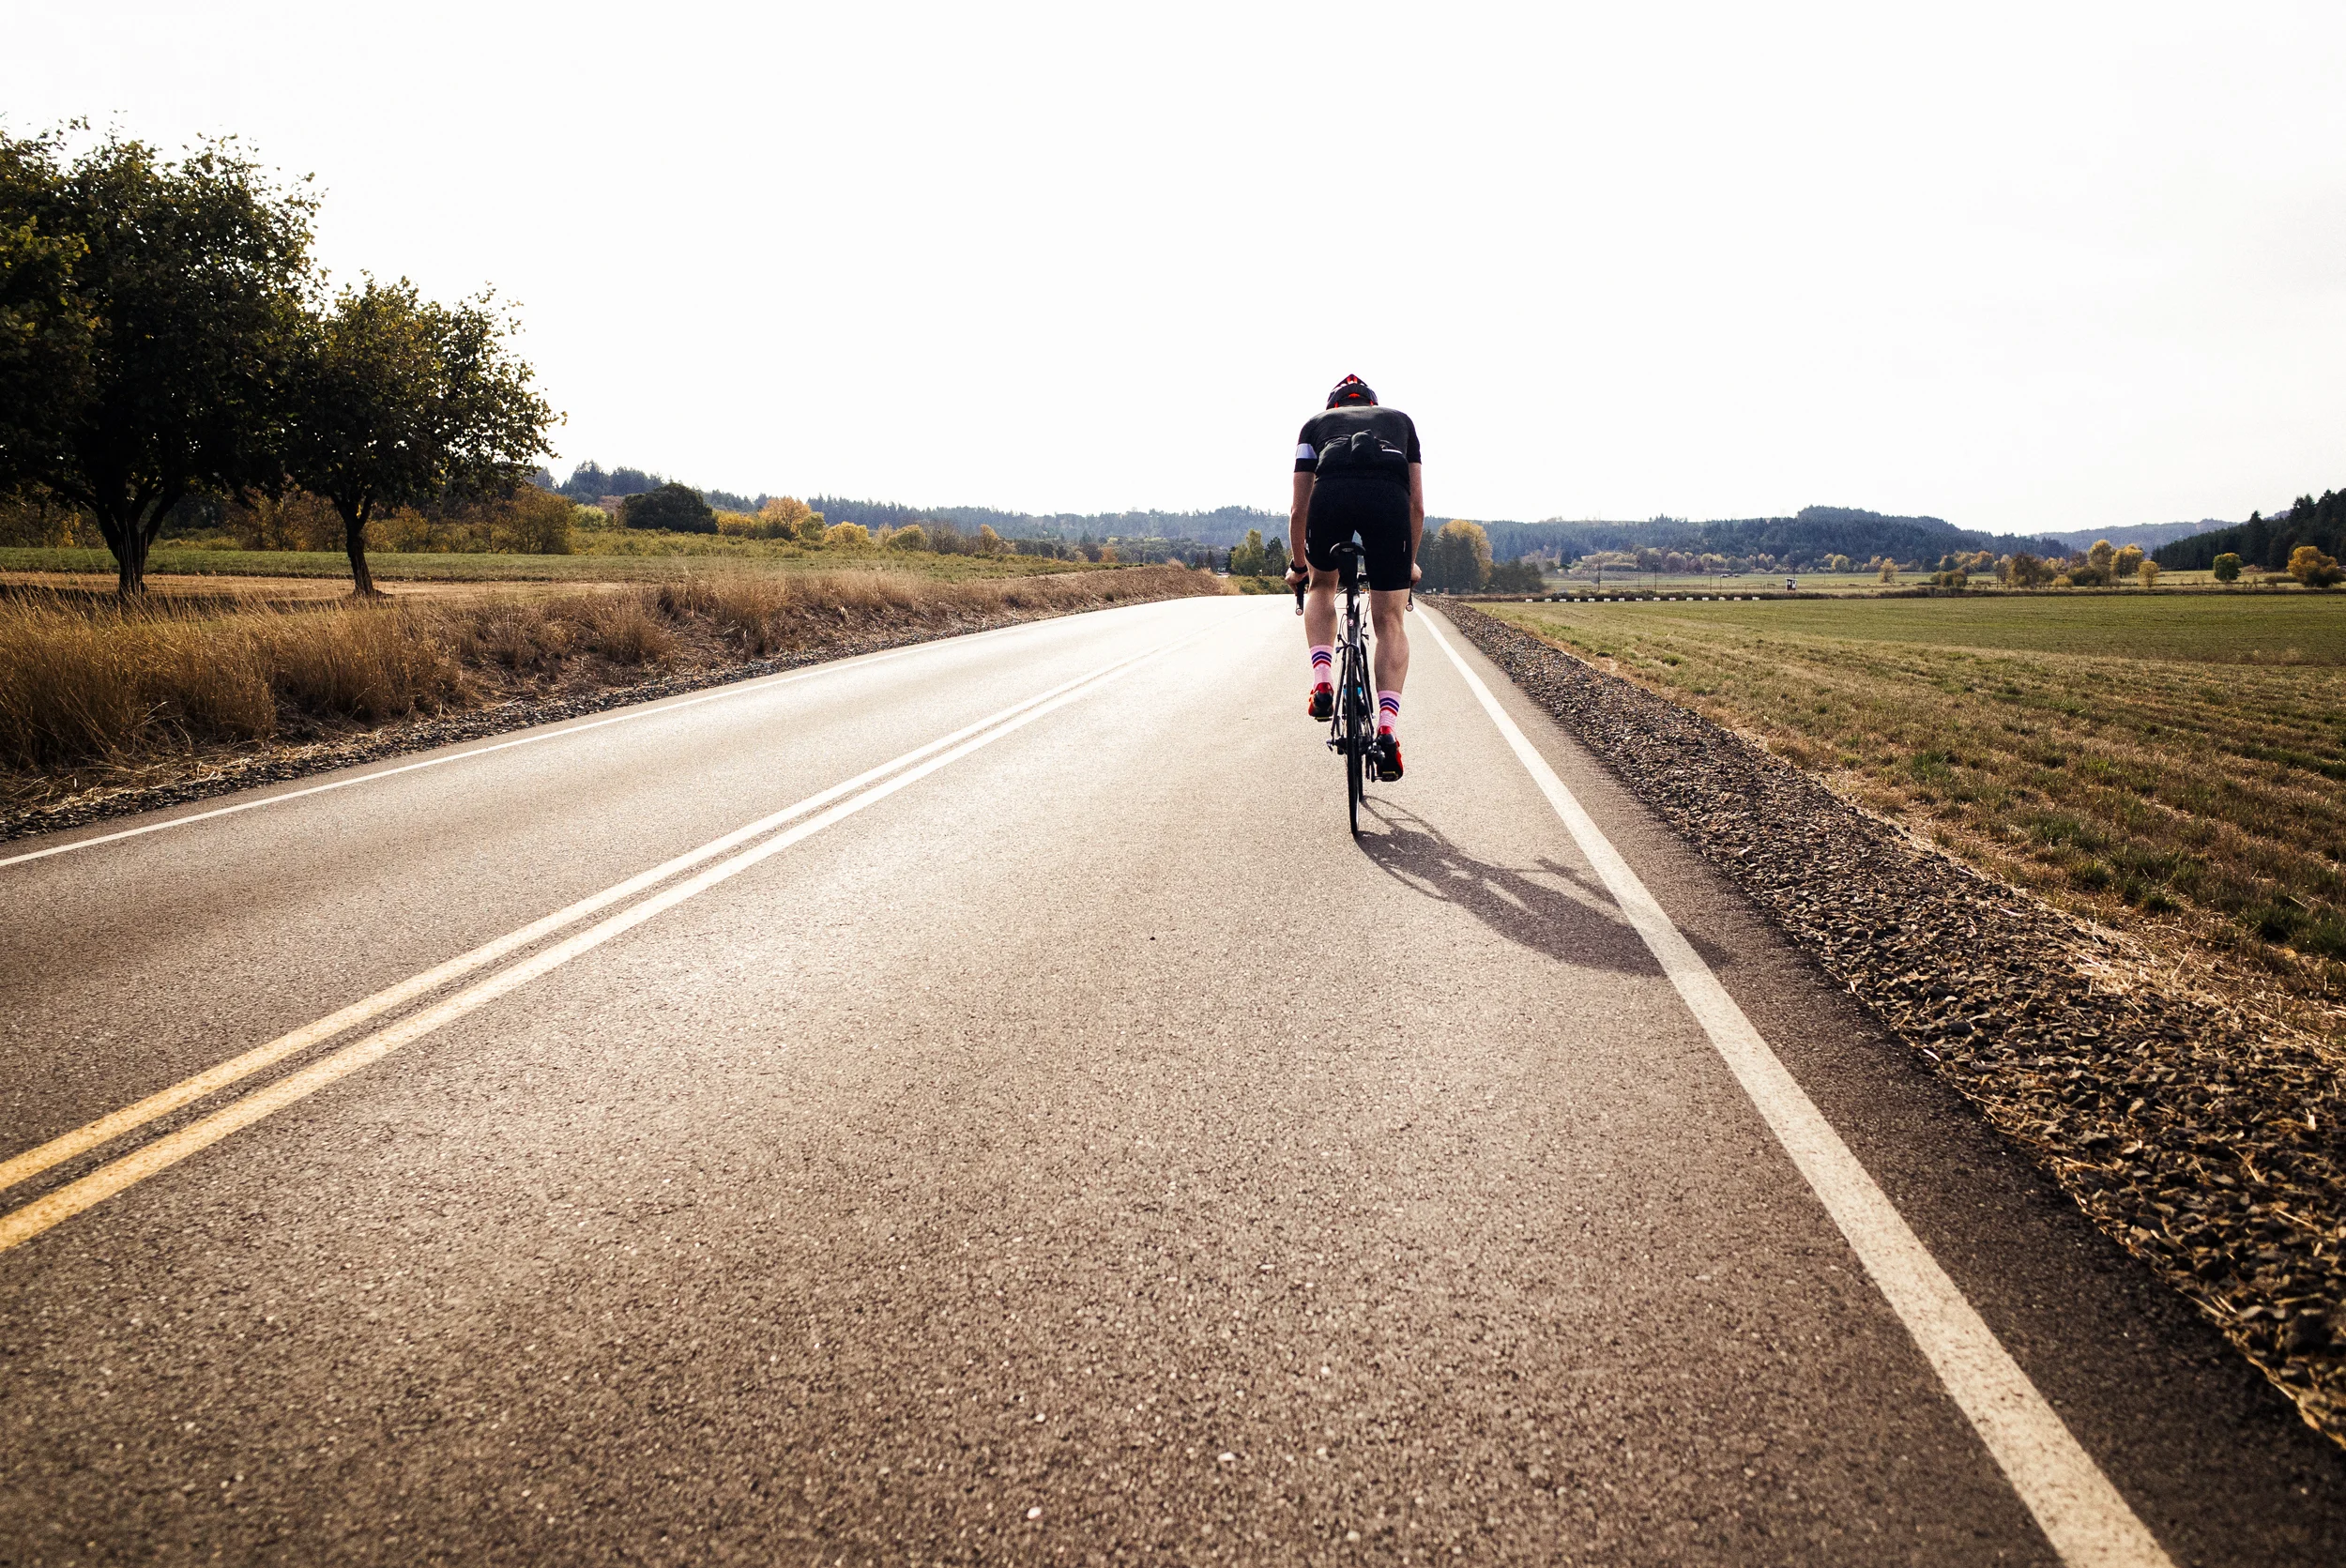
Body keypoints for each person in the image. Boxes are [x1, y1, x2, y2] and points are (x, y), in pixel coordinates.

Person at [1283, 374, 1424, 781]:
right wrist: (1409, 564)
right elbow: (1417, 507)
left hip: (1331, 497)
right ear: (1372, 405)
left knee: (1322, 586)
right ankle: (1387, 732)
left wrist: (1300, 567)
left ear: (1334, 406)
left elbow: (1298, 510)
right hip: (1388, 502)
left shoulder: (1315, 425)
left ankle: (1322, 682)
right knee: (1389, 620)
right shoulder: (1400, 422)